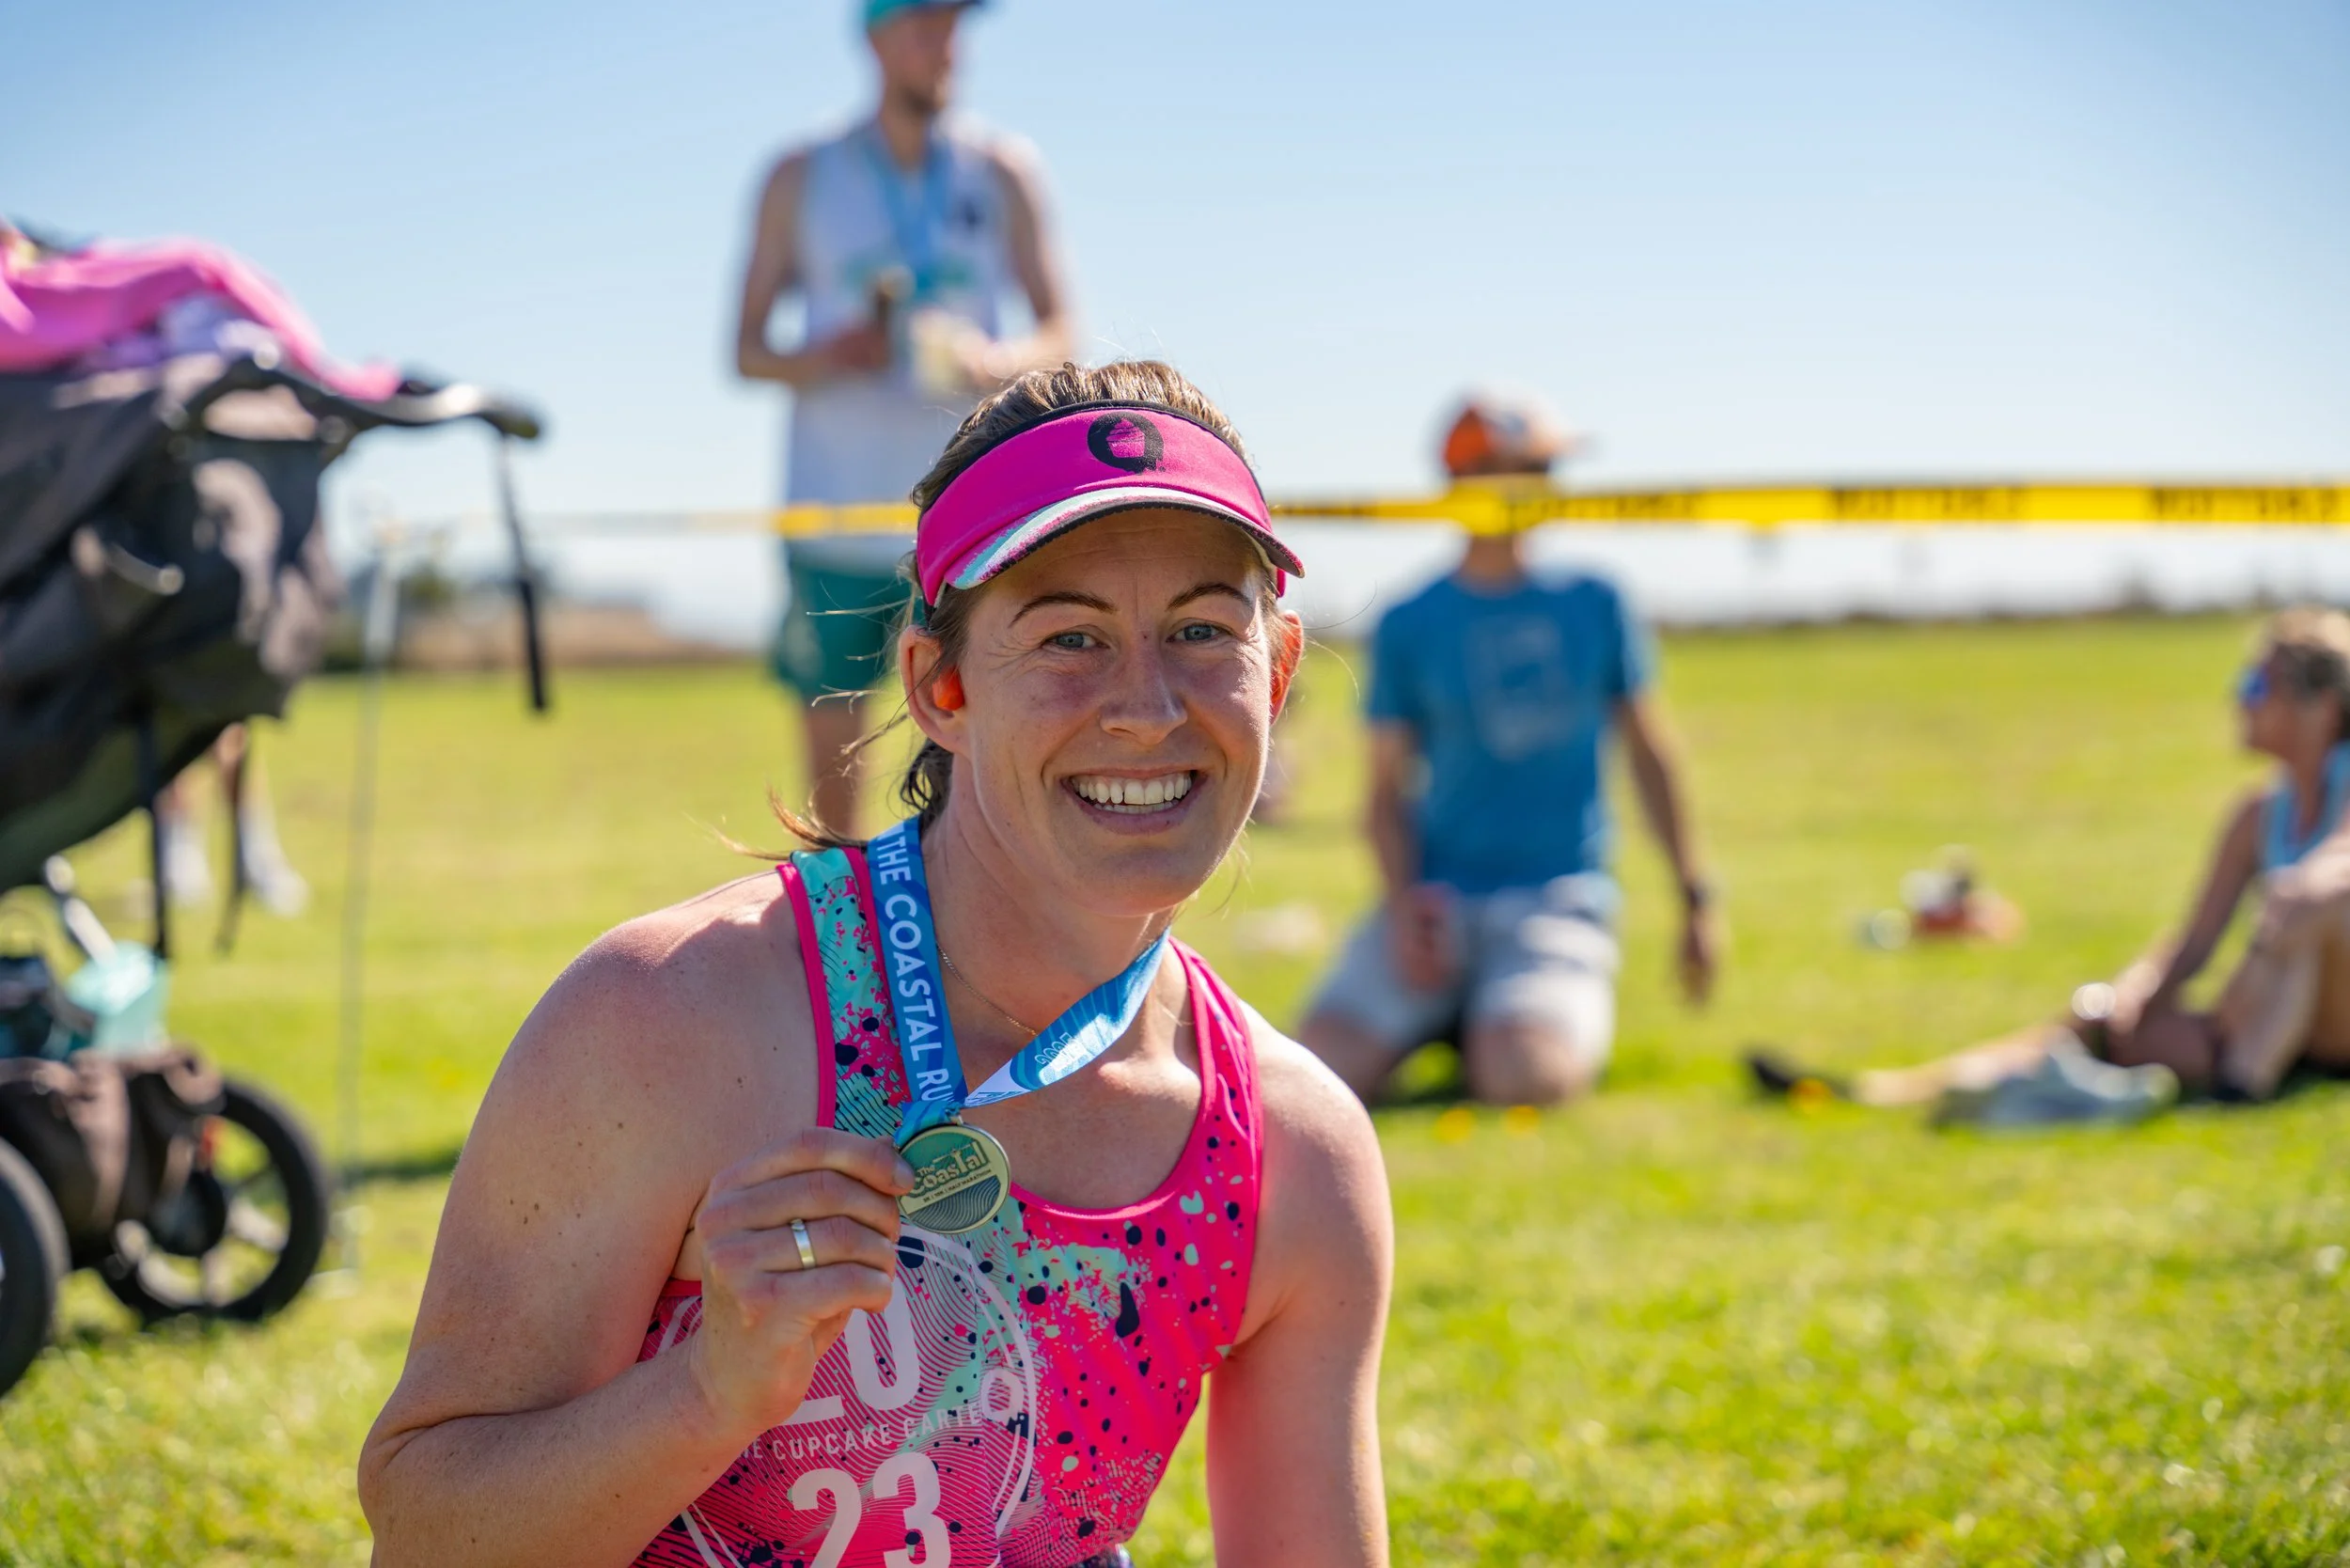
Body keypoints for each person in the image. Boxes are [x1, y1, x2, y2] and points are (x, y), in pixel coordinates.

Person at [359, 362, 1392, 1567]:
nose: (1148, 707)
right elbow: (426, 1531)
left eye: (1203, 632)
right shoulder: (672, 1015)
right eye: (1069, 637)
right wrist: (709, 1391)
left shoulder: (1291, 1156)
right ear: (937, 686)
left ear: (1274, 673)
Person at [1752, 606, 2350, 1120]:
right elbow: (2192, 941)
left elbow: (2329, 877)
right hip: (2258, 1019)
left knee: (2310, 910)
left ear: (2320, 706)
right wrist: (2132, 995)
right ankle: (1893, 1089)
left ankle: (2225, 1091)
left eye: (2255, 688)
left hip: (2323, 1025)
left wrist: (2286, 921)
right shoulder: (2258, 815)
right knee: (2095, 1018)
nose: (2237, 701)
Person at [1298, 392, 1717, 1107]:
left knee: (1526, 1078)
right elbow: (1382, 793)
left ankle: (1495, 1023)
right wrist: (1405, 911)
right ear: (1479, 482)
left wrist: (1695, 897)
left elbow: (1650, 754)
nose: (1553, 487)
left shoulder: (1595, 600)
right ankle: (1459, 1010)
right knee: (1316, 1075)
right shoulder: (1411, 620)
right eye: (1538, 468)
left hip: (1556, 898)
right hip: (1437, 900)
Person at [735, 0, 1073, 839]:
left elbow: (1063, 333)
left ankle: (974, 953)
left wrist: (999, 362)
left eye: (957, 24)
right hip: (834, 509)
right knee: (834, 774)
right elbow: (746, 351)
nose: (947, 44)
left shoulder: (1002, 170)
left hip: (972, 513)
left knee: (984, 750)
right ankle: (834, 942)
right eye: (925, 24)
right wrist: (830, 354)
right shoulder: (801, 173)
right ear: (877, 37)